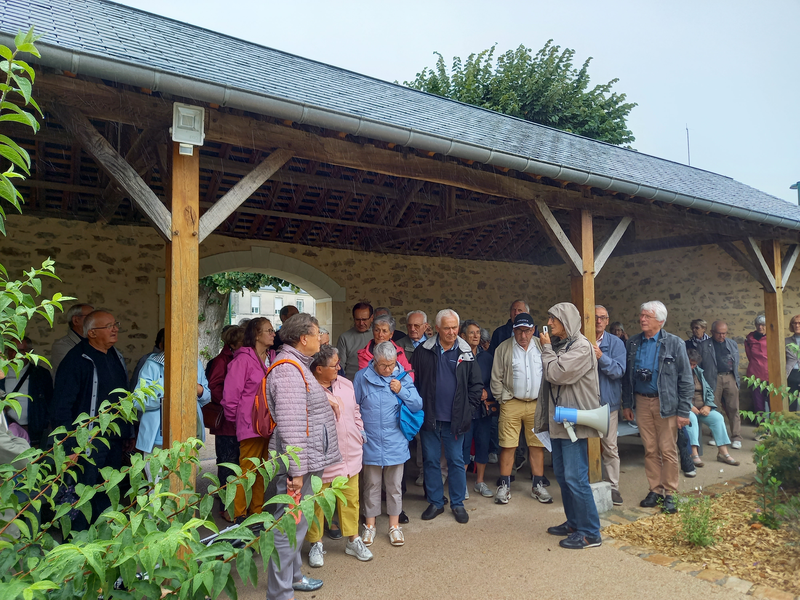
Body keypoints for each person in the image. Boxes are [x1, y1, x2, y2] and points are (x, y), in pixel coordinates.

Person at [265, 313, 341, 599]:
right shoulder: (288, 370)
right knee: (288, 527)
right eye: (318, 332)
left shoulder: (299, 365)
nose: (322, 338)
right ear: (303, 338)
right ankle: (281, 592)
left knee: (297, 524)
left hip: (308, 460)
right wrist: (296, 471)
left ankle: (293, 577)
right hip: (301, 464)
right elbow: (292, 424)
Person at [51, 310, 133, 528]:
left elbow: (122, 397)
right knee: (83, 495)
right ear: (92, 333)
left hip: (113, 440)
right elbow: (61, 407)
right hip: (86, 441)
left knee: (108, 491)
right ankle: (79, 545)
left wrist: (127, 432)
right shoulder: (76, 360)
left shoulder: (116, 355)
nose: (115, 329)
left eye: (115, 324)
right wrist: (69, 446)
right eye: (109, 326)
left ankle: (103, 540)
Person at [538, 302, 603, 549]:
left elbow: (556, 373)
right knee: (564, 477)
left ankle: (591, 533)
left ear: (566, 321)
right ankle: (575, 523)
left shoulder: (582, 347)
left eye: (553, 319)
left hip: (573, 422)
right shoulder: (562, 346)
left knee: (577, 478)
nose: (549, 323)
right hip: (560, 422)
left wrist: (545, 348)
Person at [621, 301, 692, 515]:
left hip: (666, 404)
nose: (642, 319)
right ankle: (655, 490)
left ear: (660, 321)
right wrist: (627, 403)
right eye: (641, 315)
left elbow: (686, 379)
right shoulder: (633, 342)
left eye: (647, 316)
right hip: (641, 402)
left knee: (668, 450)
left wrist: (684, 411)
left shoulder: (675, 343)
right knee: (650, 449)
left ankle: (671, 493)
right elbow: (626, 377)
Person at [411, 309, 482, 524]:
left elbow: (476, 385)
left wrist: (467, 410)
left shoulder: (466, 352)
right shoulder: (424, 351)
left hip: (456, 420)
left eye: (454, 327)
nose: (452, 332)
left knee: (456, 461)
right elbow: (413, 382)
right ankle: (435, 502)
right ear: (438, 328)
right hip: (430, 417)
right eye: (447, 328)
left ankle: (458, 503)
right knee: (431, 461)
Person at [306, 345, 372, 566]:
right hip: (322, 458)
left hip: (350, 453)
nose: (338, 368)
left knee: (351, 501)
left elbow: (355, 411)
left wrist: (359, 431)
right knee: (317, 503)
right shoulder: (307, 389)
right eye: (333, 365)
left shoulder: (345, 383)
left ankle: (353, 540)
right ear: (318, 369)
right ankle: (316, 543)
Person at [354, 341, 422, 547]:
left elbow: (417, 404)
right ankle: (370, 526)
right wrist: (360, 433)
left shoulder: (401, 376)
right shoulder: (361, 378)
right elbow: (354, 407)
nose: (388, 369)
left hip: (395, 440)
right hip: (371, 440)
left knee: (394, 486)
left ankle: (394, 526)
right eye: (384, 365)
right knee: (371, 485)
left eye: (391, 364)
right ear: (374, 360)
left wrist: (401, 390)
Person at [490, 313, 552, 505]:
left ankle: (538, 485)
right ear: (513, 330)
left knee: (537, 445)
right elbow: (496, 378)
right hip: (512, 402)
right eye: (519, 330)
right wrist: (503, 399)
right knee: (508, 444)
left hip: (536, 403)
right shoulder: (504, 348)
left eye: (526, 330)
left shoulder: (542, 346)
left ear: (533, 330)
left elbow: (552, 370)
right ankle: (505, 485)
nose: (523, 335)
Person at [221, 318, 275, 521]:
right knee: (246, 470)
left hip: (266, 424)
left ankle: (257, 511)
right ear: (257, 335)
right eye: (268, 330)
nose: (273, 333)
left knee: (261, 470)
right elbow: (231, 395)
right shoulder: (242, 360)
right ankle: (239, 513)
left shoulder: (271, 357)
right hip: (249, 423)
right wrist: (240, 420)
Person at [134, 350, 210, 481]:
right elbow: (137, 401)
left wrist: (198, 389)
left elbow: (207, 397)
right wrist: (166, 394)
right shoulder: (152, 364)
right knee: (156, 488)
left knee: (183, 484)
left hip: (187, 435)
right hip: (156, 440)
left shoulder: (195, 363)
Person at [205, 325, 245, 515]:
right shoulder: (222, 360)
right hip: (227, 422)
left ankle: (235, 504)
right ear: (234, 343)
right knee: (227, 464)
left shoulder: (238, 357)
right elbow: (214, 388)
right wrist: (235, 401)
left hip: (238, 421)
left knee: (237, 463)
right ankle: (226, 507)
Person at [593, 305, 626, 506]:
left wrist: (601, 357)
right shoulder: (581, 340)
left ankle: (613, 486)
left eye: (602, 318)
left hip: (607, 404)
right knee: (585, 445)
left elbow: (618, 371)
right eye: (595, 317)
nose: (598, 321)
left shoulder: (616, 343)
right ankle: (587, 484)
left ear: (607, 321)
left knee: (610, 447)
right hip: (585, 403)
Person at [684, 349, 740, 467]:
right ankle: (693, 454)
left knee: (718, 418)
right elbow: (675, 394)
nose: (692, 367)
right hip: (685, 409)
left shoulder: (698, 372)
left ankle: (723, 453)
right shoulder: (678, 374)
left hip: (702, 408)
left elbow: (708, 391)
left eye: (694, 364)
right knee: (692, 419)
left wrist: (708, 406)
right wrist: (689, 407)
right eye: (690, 363)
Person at [458, 320, 492, 499]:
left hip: (483, 410)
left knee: (482, 444)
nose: (476, 336)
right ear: (463, 336)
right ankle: (462, 484)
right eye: (471, 333)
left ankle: (479, 481)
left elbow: (495, 380)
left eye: (478, 332)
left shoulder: (487, 357)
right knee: (464, 446)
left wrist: (489, 392)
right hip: (465, 410)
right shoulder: (458, 356)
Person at [1, 337, 53, 448]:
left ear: (29, 352)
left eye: (20, 351)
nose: (15, 354)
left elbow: (50, 404)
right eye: (11, 350)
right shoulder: (1, 374)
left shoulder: (41, 375)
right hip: (6, 433)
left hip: (34, 434)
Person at [698, 320, 742, 449]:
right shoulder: (703, 345)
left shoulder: (732, 344)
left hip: (729, 377)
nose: (722, 336)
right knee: (714, 409)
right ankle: (715, 436)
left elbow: (736, 362)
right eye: (719, 333)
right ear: (712, 332)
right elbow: (699, 365)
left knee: (733, 408)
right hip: (712, 379)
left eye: (724, 333)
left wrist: (735, 378)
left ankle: (736, 437)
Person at [356, 315, 414, 379]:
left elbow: (409, 374)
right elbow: (366, 378)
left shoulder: (399, 352)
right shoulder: (364, 354)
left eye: (384, 331)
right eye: (377, 330)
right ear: (373, 332)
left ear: (391, 334)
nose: (380, 335)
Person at [49, 303, 93, 379]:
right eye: (91, 317)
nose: (96, 321)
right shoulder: (61, 345)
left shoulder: (96, 342)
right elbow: (75, 371)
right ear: (76, 320)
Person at [336, 302, 374, 380]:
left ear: (372, 318)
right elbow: (340, 366)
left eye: (364, 319)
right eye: (357, 319)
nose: (361, 323)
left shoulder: (378, 335)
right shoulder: (344, 338)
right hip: (352, 383)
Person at [744, 315, 769, 416]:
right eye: (758, 325)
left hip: (769, 374)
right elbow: (749, 356)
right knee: (758, 404)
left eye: (763, 325)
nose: (760, 327)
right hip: (755, 374)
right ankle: (762, 428)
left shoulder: (772, 337)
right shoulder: (749, 339)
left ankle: (775, 428)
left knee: (773, 403)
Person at [785, 315, 800, 411]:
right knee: (792, 402)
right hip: (791, 373)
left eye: (799, 323)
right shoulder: (786, 341)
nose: (797, 326)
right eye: (795, 323)